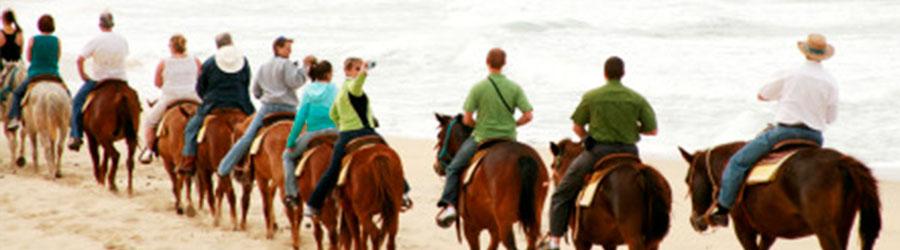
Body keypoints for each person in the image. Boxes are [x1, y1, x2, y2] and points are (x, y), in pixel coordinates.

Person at [702, 33, 839, 227]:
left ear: (805, 51)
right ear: (823, 54)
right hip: (815, 138)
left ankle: (723, 210)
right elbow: (831, 118)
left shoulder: (791, 72)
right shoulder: (830, 81)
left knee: (738, 163)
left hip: (785, 132)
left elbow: (763, 94)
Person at [541, 56, 658, 250]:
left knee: (561, 193)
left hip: (598, 152)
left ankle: (554, 242)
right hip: (630, 154)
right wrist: (631, 129)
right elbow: (652, 130)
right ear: (623, 74)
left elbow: (577, 127)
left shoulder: (592, 96)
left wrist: (588, 136)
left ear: (605, 74)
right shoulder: (637, 98)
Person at [435, 48, 534, 227]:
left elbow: (466, 119)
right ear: (504, 64)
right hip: (508, 140)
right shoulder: (515, 88)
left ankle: (449, 206)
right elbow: (528, 115)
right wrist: (513, 124)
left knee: (454, 168)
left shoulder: (478, 88)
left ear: (487, 63)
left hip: (482, 138)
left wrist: (479, 125)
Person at [304, 57, 412, 217]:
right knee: (391, 156)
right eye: (356, 68)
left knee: (332, 170)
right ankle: (404, 192)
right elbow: (356, 86)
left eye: (360, 68)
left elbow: (333, 114)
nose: (359, 71)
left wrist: (343, 124)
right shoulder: (354, 87)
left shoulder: (341, 92)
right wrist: (364, 73)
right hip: (366, 132)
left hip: (347, 134)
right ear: (347, 70)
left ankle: (313, 205)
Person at [215, 36, 309, 177]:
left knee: (247, 137)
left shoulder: (263, 66)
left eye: (290, 49)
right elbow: (294, 82)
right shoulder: (287, 64)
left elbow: (256, 91)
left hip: (267, 108)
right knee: (308, 136)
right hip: (288, 109)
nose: (289, 51)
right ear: (278, 48)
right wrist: (305, 68)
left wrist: (266, 96)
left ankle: (224, 168)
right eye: (287, 48)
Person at [177, 32, 254, 174]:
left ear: (217, 45)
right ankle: (254, 160)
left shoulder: (210, 62)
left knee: (191, 128)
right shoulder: (243, 61)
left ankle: (188, 160)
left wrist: (206, 98)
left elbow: (200, 87)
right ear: (231, 43)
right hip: (240, 104)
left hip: (214, 106)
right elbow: (247, 83)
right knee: (257, 127)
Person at [68, 12, 129, 151]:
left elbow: (80, 59)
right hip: (120, 79)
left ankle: (76, 135)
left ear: (100, 25)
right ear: (112, 24)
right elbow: (124, 56)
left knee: (77, 102)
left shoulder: (96, 40)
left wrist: (83, 75)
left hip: (99, 80)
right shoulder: (122, 40)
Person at [282, 59, 338, 208]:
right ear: (327, 75)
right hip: (335, 131)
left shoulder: (308, 91)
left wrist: (290, 141)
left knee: (287, 157)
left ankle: (292, 194)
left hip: (313, 133)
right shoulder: (334, 89)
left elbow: (300, 118)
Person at [137, 34, 202, 163]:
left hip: (171, 98)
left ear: (172, 47)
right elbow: (200, 80)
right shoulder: (195, 60)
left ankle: (149, 151)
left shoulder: (164, 62)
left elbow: (157, 83)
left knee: (150, 122)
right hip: (193, 96)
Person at [6, 14, 61, 131]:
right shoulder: (57, 40)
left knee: (17, 94)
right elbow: (57, 58)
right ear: (52, 26)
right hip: (53, 74)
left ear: (39, 26)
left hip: (35, 74)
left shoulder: (33, 40)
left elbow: (29, 58)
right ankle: (71, 120)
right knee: (67, 94)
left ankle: (14, 118)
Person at [0, 9, 24, 103]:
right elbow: (21, 51)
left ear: (3, 19)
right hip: (18, 65)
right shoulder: (19, 33)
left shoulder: (1, 34)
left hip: (4, 65)